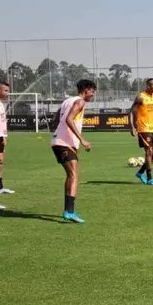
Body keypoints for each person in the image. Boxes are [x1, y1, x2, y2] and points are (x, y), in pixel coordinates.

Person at [51, 79, 95, 223]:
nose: (93, 95)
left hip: (59, 141)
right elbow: (69, 119)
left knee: (71, 175)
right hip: (65, 143)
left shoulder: (67, 101)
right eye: (92, 91)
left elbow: (56, 119)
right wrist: (82, 140)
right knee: (74, 175)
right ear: (86, 90)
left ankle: (68, 211)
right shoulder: (80, 102)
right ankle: (69, 212)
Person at [130, 78, 153, 186]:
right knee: (149, 152)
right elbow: (132, 111)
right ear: (148, 86)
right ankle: (149, 178)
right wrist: (132, 126)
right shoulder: (141, 97)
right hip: (143, 128)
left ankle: (140, 172)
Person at [0, 81, 15, 195]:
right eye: (5, 90)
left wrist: (5, 135)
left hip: (1, 136)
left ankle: (0, 187)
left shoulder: (0, 103)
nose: (7, 93)